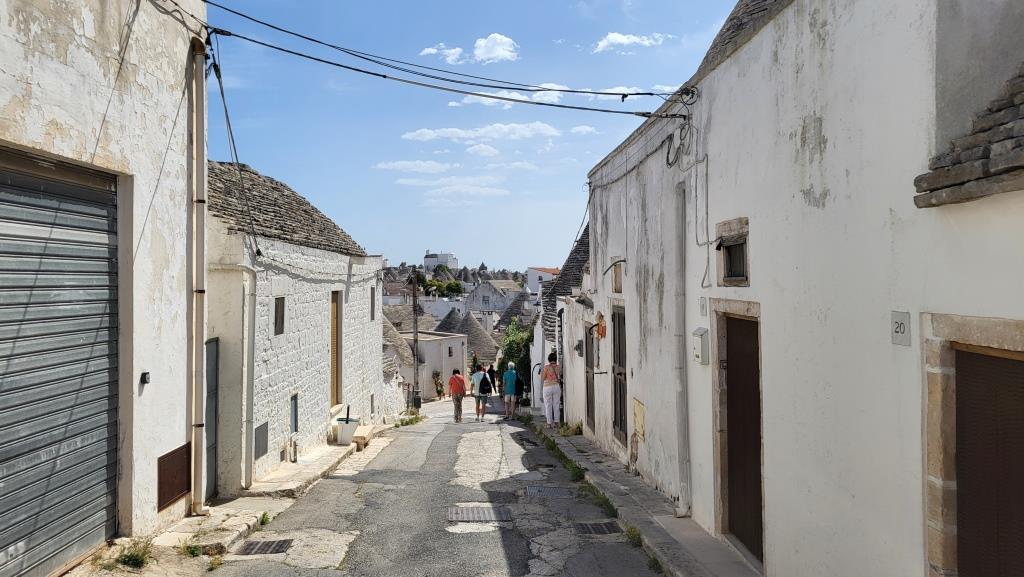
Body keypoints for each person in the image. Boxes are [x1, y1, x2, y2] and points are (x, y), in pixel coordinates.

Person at [542, 352, 561, 428]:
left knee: (548, 405)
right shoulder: (558, 367)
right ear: (555, 359)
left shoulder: (546, 367)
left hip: (547, 387)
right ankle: (557, 422)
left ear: (549, 359)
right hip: (556, 386)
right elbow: (559, 375)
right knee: (556, 404)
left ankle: (549, 423)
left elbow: (543, 378)